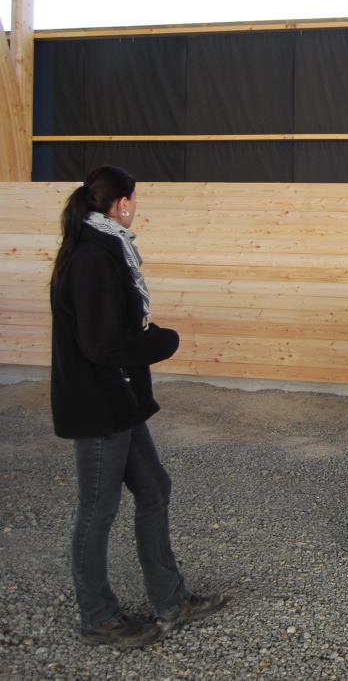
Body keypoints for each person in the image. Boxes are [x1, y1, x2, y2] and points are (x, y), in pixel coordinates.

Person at [50, 166, 226, 650]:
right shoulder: (93, 258)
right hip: (99, 406)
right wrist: (158, 343)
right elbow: (101, 343)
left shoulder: (105, 250)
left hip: (120, 402)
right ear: (121, 204)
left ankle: (170, 601)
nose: (136, 207)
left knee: (154, 489)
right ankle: (98, 616)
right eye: (134, 199)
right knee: (97, 511)